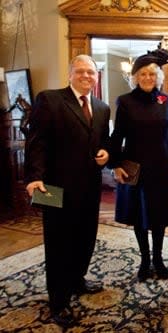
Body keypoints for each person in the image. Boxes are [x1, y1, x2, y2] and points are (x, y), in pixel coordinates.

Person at [24, 54, 111, 326]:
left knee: (86, 236)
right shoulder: (49, 99)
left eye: (91, 73)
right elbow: (36, 142)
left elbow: (104, 141)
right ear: (70, 74)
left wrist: (106, 153)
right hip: (55, 187)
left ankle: (77, 280)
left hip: (90, 186)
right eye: (81, 71)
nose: (86, 76)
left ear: (97, 78)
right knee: (59, 243)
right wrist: (33, 177)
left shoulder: (102, 107)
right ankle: (59, 301)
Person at [108, 46, 168, 283]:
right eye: (142, 74)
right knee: (140, 219)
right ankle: (144, 259)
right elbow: (117, 136)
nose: (148, 78)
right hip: (136, 170)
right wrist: (115, 164)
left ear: (158, 76)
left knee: (159, 218)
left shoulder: (166, 100)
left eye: (152, 74)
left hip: (161, 170)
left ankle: (158, 259)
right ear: (135, 77)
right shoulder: (125, 102)